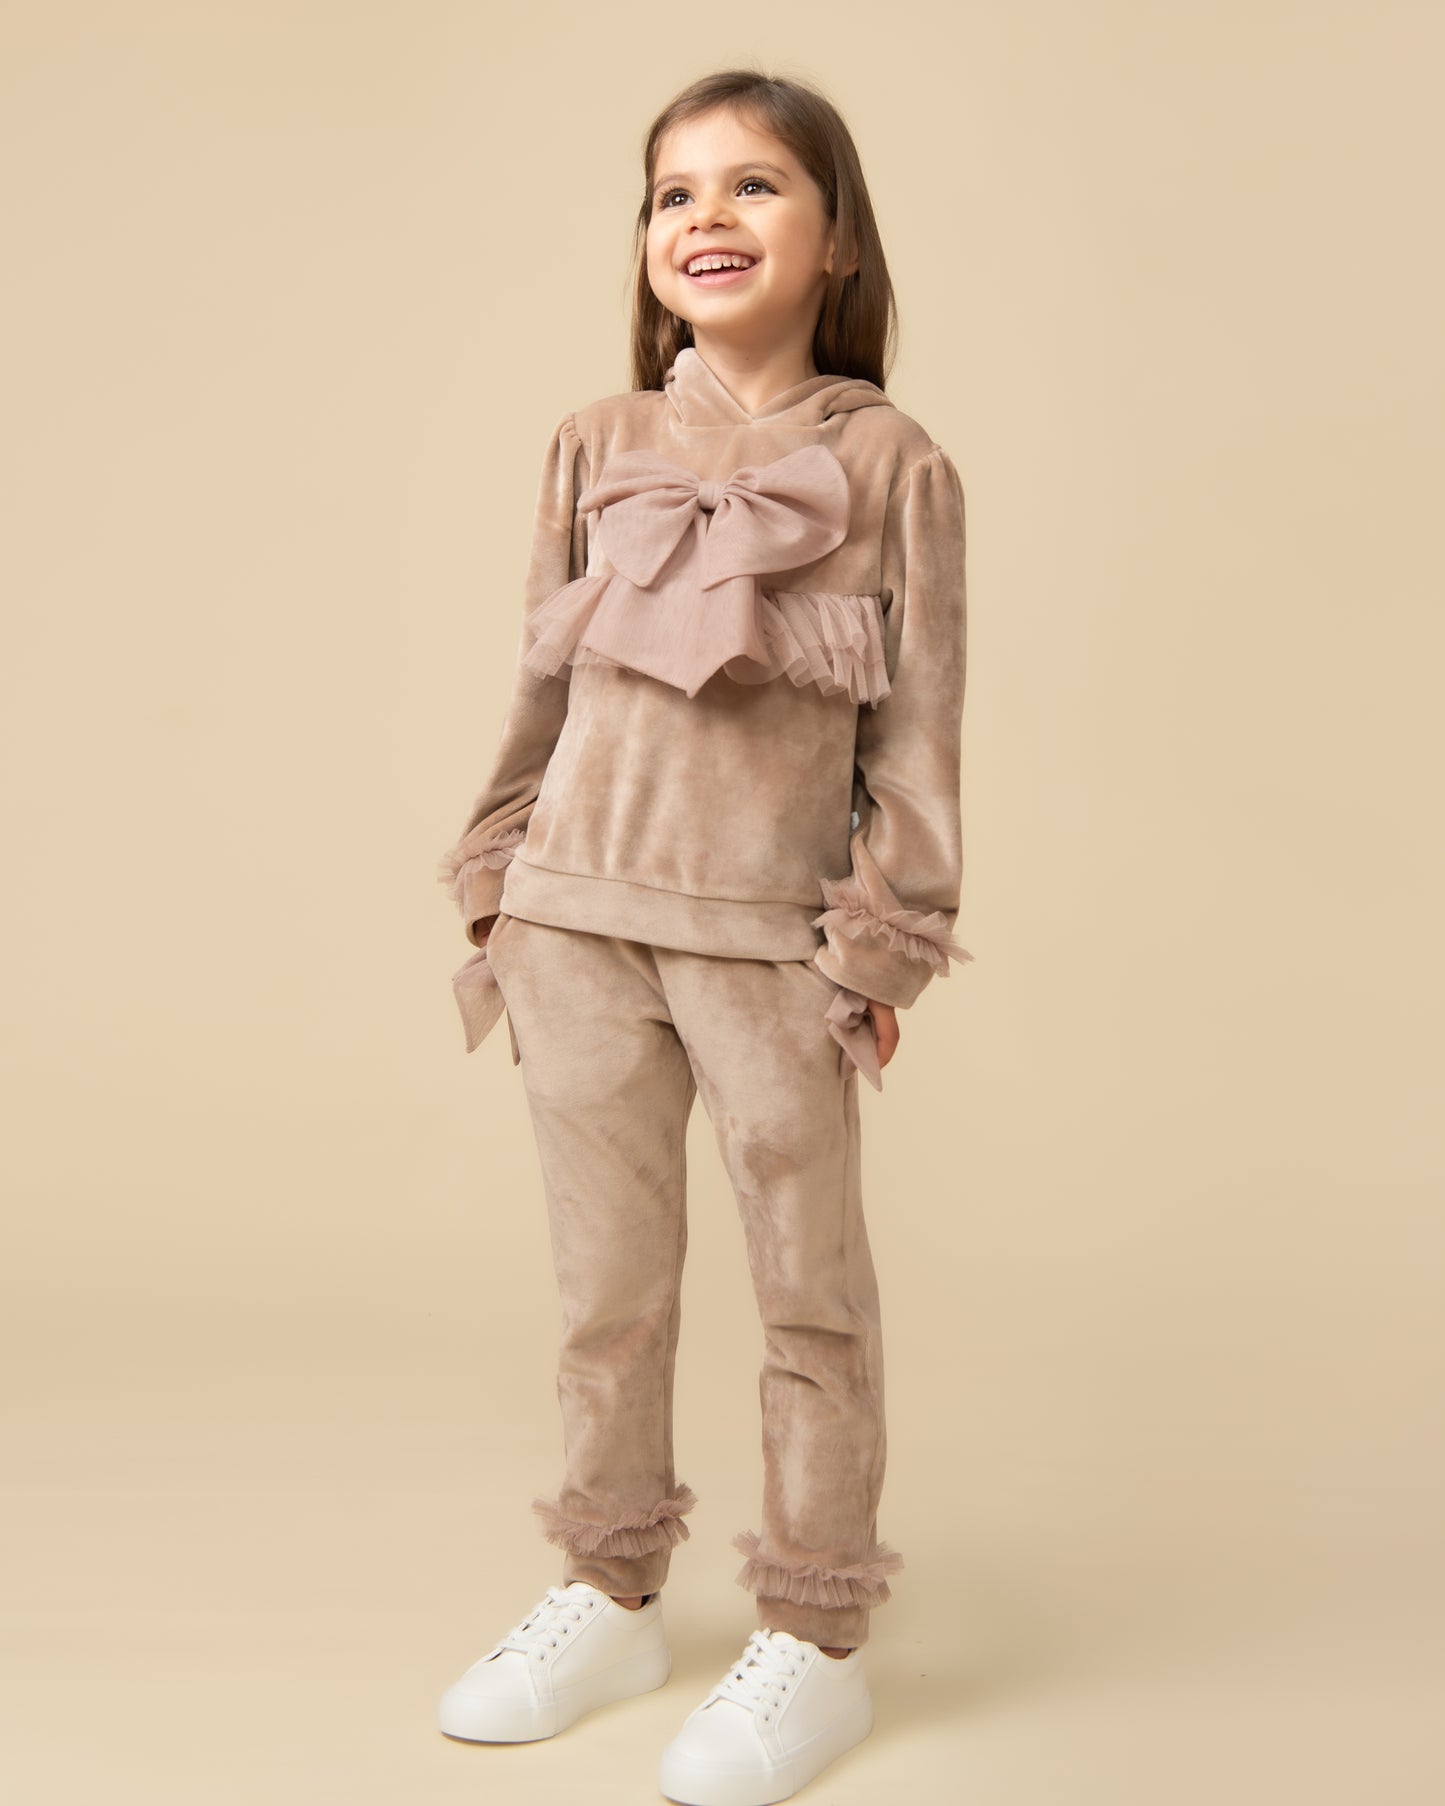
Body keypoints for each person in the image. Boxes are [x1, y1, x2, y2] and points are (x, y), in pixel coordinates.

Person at [432, 65, 971, 1806]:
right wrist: (496, 881)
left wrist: (882, 944)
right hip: (574, 923)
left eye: (753, 186)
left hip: (766, 945)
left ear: (836, 239)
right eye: (674, 192)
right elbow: (536, 683)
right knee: (608, 1291)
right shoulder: (592, 442)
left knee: (809, 1296)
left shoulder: (892, 464)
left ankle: (813, 1631)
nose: (706, 218)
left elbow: (919, 741)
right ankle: (608, 1592)